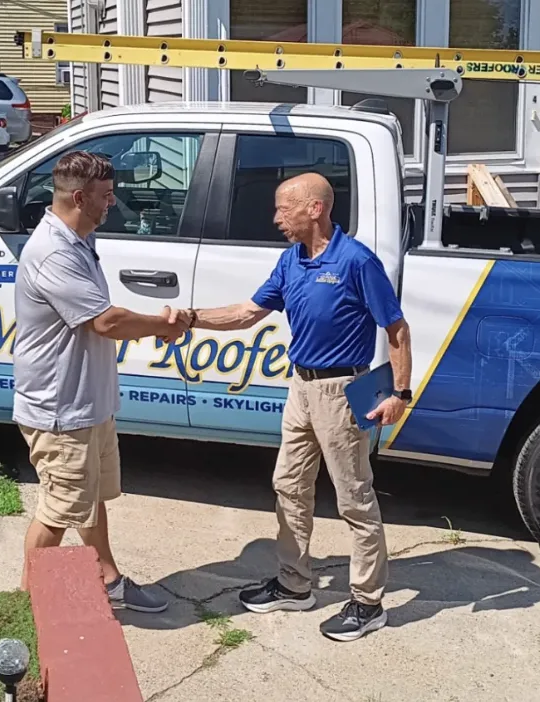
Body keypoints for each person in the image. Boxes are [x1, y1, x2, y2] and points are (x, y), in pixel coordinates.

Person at [166, 172, 412, 642]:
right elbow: (248, 313)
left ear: (315, 209)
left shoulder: (356, 261)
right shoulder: (291, 260)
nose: (276, 217)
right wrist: (191, 319)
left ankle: (368, 603)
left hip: (342, 391)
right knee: (289, 485)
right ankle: (294, 585)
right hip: (301, 387)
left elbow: (396, 329)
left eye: (284, 208)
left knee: (354, 497)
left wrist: (400, 394)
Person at [12, 150, 189, 613]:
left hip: (87, 404)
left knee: (87, 499)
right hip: (60, 411)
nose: (113, 202)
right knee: (57, 513)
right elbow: (106, 322)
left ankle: (109, 581)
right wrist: (163, 325)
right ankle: (27, 609)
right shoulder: (53, 252)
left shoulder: (79, 240)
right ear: (79, 197)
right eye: (106, 195)